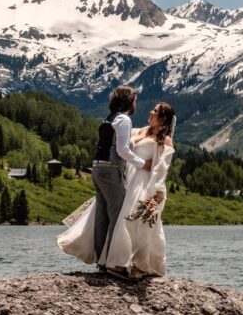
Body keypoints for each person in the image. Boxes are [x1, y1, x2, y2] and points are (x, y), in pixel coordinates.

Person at [57, 99, 176, 279]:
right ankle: (115, 261)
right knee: (121, 217)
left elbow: (162, 167)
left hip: (146, 183)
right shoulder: (141, 130)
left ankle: (138, 263)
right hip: (129, 178)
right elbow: (122, 144)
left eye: (155, 111)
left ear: (163, 118)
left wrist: (157, 190)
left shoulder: (165, 140)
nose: (151, 112)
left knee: (137, 222)